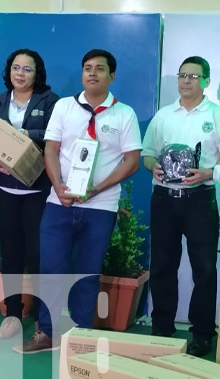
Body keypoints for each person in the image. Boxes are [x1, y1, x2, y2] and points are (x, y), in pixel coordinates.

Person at [14, 49, 142, 353]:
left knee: (87, 273)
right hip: (59, 203)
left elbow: (132, 160)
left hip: (100, 206)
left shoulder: (124, 114)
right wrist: (57, 186)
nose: (93, 73)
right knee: (50, 271)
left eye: (100, 69)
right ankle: (46, 332)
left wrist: (98, 188)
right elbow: (51, 150)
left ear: (112, 76)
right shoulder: (63, 107)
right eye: (87, 68)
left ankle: (80, 337)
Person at [142, 56, 220, 357]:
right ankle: (162, 329)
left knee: (205, 270)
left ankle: (203, 334)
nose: (186, 81)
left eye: (194, 76)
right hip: (164, 200)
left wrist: (209, 173)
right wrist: (153, 167)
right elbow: (147, 154)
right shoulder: (163, 115)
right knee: (161, 267)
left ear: (206, 80)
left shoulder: (219, 116)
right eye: (182, 75)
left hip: (200, 201)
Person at [0, 49, 59, 339]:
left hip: (37, 188)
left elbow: (57, 136)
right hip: (4, 187)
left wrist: (27, 135)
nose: (21, 73)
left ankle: (42, 318)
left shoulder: (52, 102)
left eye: (28, 69)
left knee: (39, 252)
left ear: (37, 73)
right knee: (11, 250)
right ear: (8, 71)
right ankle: (12, 314)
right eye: (16, 67)